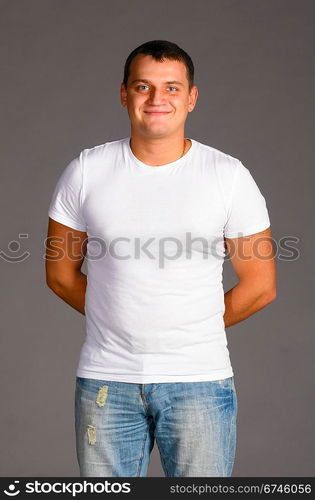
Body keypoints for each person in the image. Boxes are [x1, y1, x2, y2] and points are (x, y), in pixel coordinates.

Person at [45, 40, 276, 477]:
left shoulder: (228, 177)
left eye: (171, 88)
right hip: (106, 382)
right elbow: (59, 274)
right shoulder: (86, 171)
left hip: (199, 381)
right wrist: (119, 320)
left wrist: (186, 325)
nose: (156, 100)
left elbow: (261, 285)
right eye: (143, 87)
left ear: (191, 97)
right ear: (124, 94)